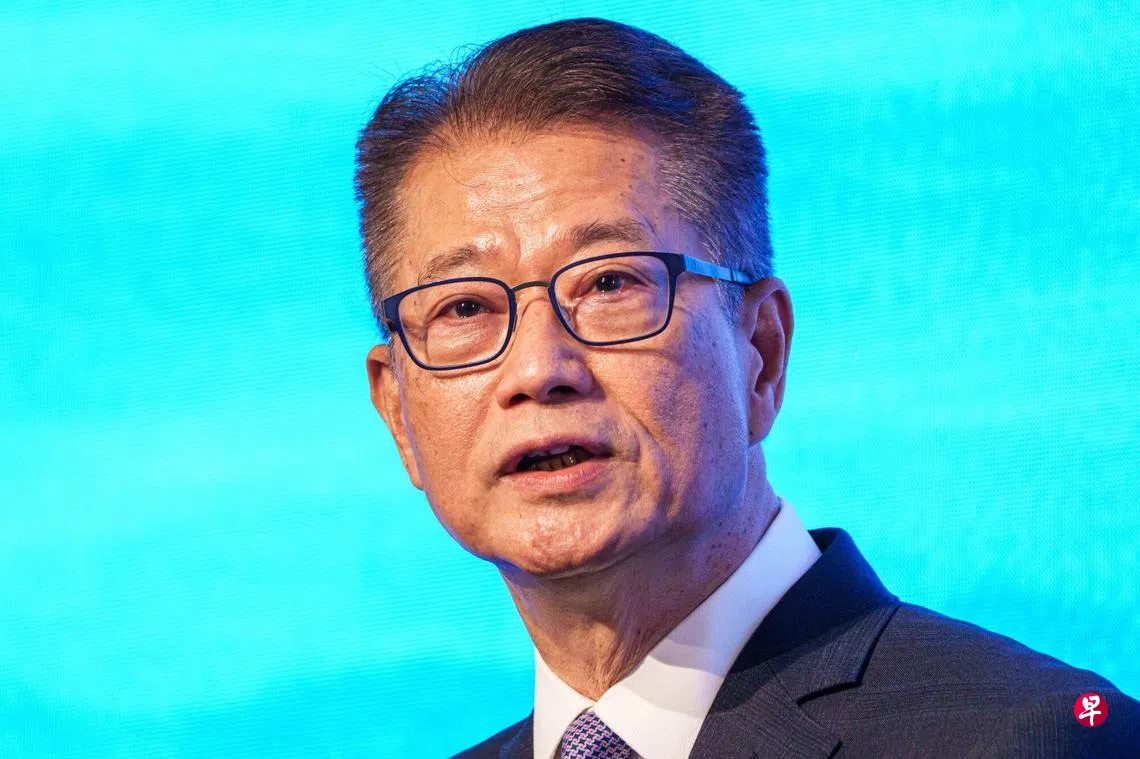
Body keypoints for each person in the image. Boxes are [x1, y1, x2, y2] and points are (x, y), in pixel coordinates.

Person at [355, 17, 1137, 758]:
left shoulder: (1035, 736)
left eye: (610, 283)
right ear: (397, 411)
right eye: (463, 308)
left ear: (760, 351)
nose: (538, 369)